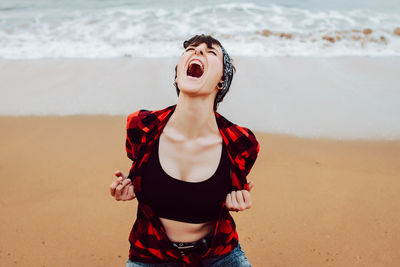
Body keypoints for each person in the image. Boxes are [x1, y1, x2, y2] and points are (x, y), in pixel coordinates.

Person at [110, 34, 260, 267]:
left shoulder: (241, 141)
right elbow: (138, 169)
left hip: (219, 256)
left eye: (211, 53)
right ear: (178, 73)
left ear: (221, 81)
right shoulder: (141, 126)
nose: (198, 52)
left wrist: (237, 200)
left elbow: (236, 187)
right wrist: (127, 187)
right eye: (191, 49)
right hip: (151, 255)